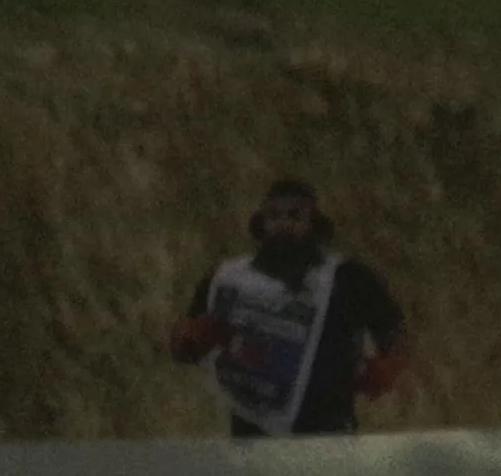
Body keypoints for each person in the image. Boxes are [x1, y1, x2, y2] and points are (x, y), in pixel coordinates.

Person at [172, 179, 410, 437]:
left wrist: (389, 364)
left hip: (328, 430)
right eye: (274, 216)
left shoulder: (348, 278)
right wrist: (191, 340)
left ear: (313, 223)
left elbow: (391, 327)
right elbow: (185, 346)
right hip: (253, 431)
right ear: (262, 223)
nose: (284, 224)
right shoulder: (227, 279)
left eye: (295, 215)